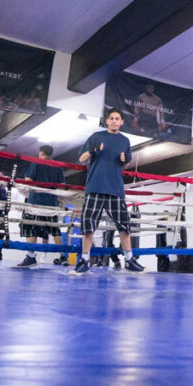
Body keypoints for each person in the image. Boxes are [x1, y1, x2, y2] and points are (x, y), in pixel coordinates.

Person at [71, 109, 146, 275]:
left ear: (121, 122)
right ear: (107, 121)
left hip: (115, 189)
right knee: (88, 227)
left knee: (124, 226)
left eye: (117, 119)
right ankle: (84, 261)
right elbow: (81, 159)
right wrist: (93, 150)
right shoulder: (96, 137)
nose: (113, 121)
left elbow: (125, 162)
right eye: (111, 118)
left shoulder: (125, 141)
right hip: (95, 188)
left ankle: (129, 260)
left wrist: (124, 160)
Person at [18, 145, 68, 267]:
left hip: (35, 201)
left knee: (31, 229)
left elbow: (28, 180)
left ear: (40, 152)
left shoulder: (37, 162)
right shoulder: (58, 166)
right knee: (55, 230)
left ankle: (30, 257)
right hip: (51, 203)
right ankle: (62, 256)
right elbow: (62, 185)